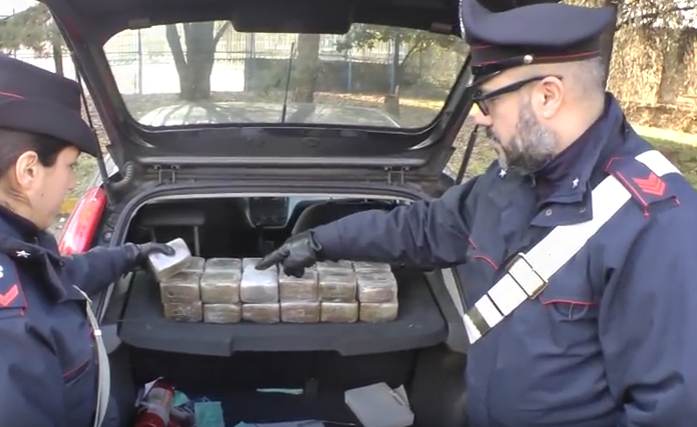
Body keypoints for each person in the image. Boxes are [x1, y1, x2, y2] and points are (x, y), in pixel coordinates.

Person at [256, 0, 697, 425]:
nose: (480, 119)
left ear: (547, 96)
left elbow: (671, 409)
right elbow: (422, 228)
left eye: (487, 101)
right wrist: (321, 241)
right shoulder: (514, 176)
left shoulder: (657, 225)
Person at [0, 52, 174, 427]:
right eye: (69, 166)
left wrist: (132, 254)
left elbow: (57, 277)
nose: (71, 182)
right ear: (29, 170)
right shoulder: (3, 334)